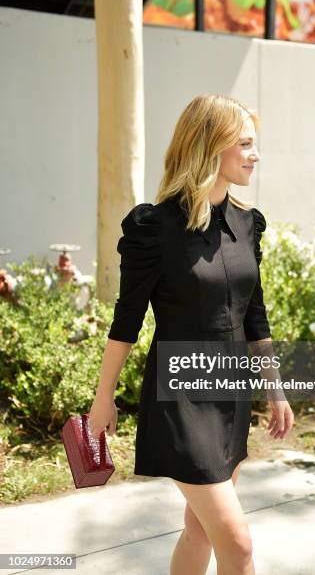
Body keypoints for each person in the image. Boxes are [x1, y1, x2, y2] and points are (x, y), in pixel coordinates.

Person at [88, 94, 294, 574]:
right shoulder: (154, 228)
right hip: (180, 401)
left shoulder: (247, 224)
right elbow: (127, 320)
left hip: (231, 394)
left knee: (200, 529)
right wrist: (104, 398)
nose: (254, 154)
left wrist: (276, 389)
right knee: (238, 546)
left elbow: (255, 315)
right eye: (244, 143)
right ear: (208, 146)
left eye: (254, 143)